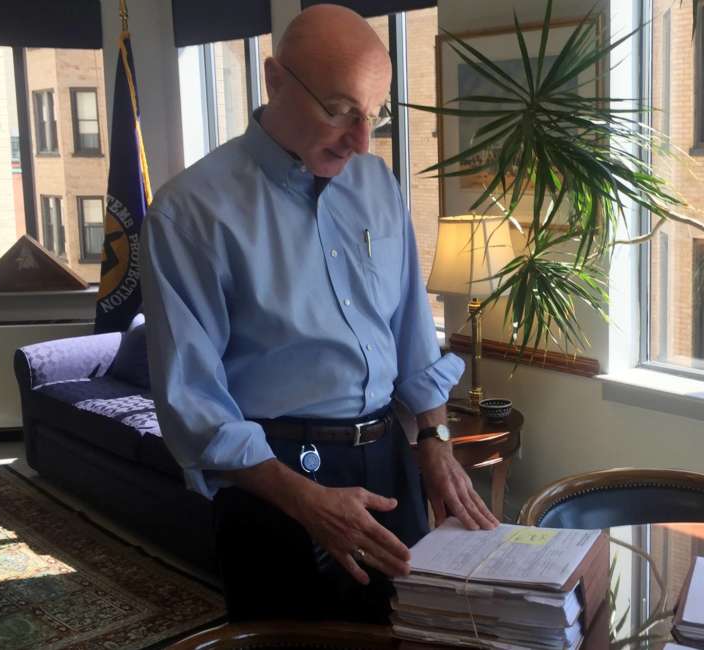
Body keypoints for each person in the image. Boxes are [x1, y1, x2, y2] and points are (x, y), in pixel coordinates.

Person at [141, 4, 498, 623]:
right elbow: (192, 401)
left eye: (374, 114)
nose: (361, 139)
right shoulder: (189, 214)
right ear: (275, 80)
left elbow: (412, 330)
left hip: (390, 456)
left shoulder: (377, 185)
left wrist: (435, 440)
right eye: (339, 110)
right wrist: (306, 501)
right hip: (275, 479)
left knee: (418, 632)